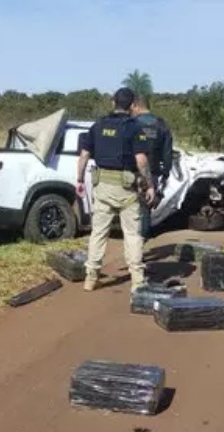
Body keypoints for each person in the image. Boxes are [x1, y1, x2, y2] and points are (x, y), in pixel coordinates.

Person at [76, 87, 156, 293]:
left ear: (113, 103)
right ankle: (137, 280)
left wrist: (79, 179)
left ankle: (91, 278)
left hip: (102, 187)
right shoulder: (134, 128)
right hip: (127, 188)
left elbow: (84, 155)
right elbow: (141, 160)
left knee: (98, 233)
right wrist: (149, 185)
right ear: (132, 106)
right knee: (132, 234)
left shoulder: (98, 125)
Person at [131, 94, 174, 244]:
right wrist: (166, 172)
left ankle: (133, 245)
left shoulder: (131, 123)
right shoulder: (161, 124)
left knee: (129, 209)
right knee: (145, 208)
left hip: (131, 171)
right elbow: (168, 153)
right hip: (153, 172)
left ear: (136, 105)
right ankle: (141, 242)